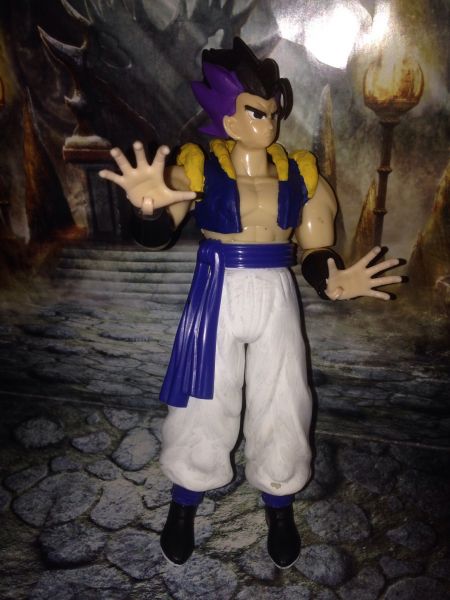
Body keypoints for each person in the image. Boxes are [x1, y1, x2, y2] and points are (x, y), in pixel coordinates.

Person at [99, 38, 401, 568]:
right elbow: (159, 229)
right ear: (228, 117)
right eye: (257, 111)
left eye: (273, 111)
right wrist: (148, 210)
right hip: (218, 285)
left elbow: (316, 245)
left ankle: (279, 499)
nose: (270, 122)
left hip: (275, 289)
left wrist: (331, 278)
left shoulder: (301, 172)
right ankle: (185, 497)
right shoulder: (198, 165)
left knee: (284, 396)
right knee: (203, 396)